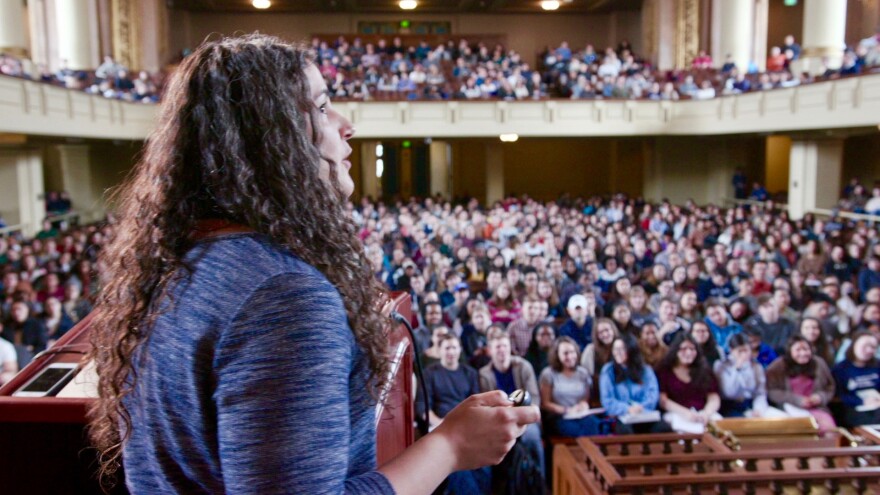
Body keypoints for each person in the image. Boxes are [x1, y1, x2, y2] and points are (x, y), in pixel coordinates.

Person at [87, 35, 538, 494]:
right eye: (321, 108)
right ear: (271, 140)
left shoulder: (182, 262)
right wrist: (450, 446)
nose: (347, 125)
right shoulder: (284, 295)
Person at [422, 334, 490, 493]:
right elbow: (423, 408)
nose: (451, 351)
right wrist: (440, 423)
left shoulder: (470, 373)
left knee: (484, 460)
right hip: (441, 425)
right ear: (439, 351)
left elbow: (477, 403)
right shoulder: (429, 373)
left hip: (468, 423)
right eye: (447, 348)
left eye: (454, 347)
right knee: (458, 462)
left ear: (460, 350)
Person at [478, 328, 546, 480]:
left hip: (526, 418)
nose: (502, 350)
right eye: (497, 347)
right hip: (499, 420)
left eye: (504, 346)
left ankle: (539, 481)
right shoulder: (484, 374)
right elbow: (488, 406)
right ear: (490, 351)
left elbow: (534, 398)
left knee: (532, 437)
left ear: (510, 348)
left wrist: (521, 416)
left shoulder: (524, 366)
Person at [599, 336, 670, 434]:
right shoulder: (608, 371)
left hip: (644, 413)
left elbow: (652, 396)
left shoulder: (646, 370)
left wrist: (641, 407)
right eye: (615, 349)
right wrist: (627, 409)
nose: (617, 352)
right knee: (625, 431)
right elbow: (607, 400)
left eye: (622, 349)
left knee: (663, 428)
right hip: (621, 415)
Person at [765, 335, 837, 432]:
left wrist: (820, 397)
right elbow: (771, 391)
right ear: (790, 351)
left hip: (816, 409)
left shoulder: (819, 363)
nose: (803, 353)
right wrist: (796, 399)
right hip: (788, 409)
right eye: (798, 350)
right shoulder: (778, 366)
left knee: (829, 430)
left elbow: (830, 387)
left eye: (806, 349)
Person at [656, 334, 722, 433]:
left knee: (719, 424)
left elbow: (713, 397)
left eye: (692, 349)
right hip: (676, 413)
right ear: (675, 351)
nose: (688, 352)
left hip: (702, 413)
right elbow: (663, 400)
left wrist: (706, 413)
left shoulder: (705, 370)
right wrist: (686, 413)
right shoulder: (665, 370)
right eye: (684, 349)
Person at [539, 336, 600, 437]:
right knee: (576, 431)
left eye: (572, 352)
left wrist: (583, 405)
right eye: (565, 353)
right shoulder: (548, 374)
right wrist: (566, 410)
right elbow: (545, 403)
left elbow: (585, 398)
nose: (570, 356)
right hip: (559, 416)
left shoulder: (583, 373)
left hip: (580, 414)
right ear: (557, 355)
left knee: (593, 425)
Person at [713, 334, 782, 418]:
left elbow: (760, 393)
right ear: (731, 350)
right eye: (740, 351)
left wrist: (758, 409)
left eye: (746, 350)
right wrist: (737, 369)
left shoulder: (756, 366)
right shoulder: (721, 365)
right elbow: (729, 392)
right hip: (729, 406)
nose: (744, 354)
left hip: (750, 404)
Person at [833, 331, 880, 427]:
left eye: (873, 347)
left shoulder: (877, 365)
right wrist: (861, 401)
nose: (869, 350)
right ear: (854, 345)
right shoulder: (841, 368)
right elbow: (838, 395)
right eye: (865, 346)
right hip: (853, 408)